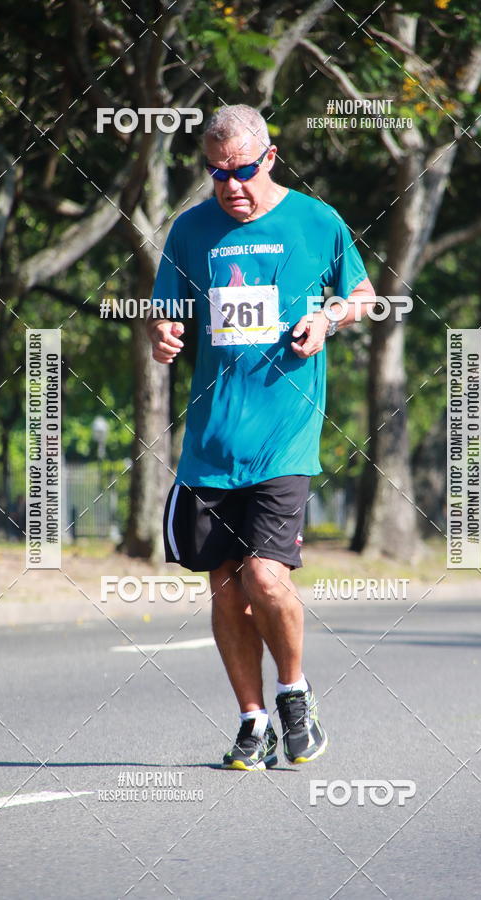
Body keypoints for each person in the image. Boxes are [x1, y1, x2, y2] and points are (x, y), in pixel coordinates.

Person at [147, 104, 375, 771]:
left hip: (285, 438)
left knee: (264, 576)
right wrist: (163, 332)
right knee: (225, 586)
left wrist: (328, 319)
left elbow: (363, 294)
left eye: (242, 171)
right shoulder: (191, 229)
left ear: (269, 158)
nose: (231, 186)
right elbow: (165, 310)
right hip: (212, 443)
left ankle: (294, 694)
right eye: (217, 174)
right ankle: (252, 721)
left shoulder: (316, 221)